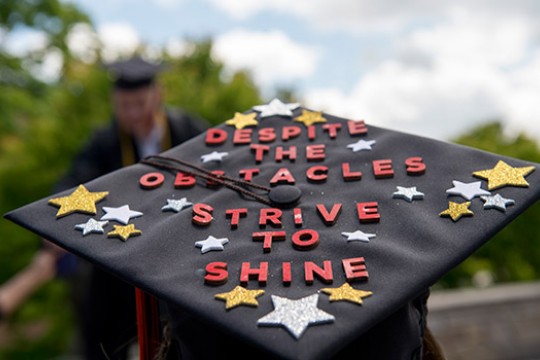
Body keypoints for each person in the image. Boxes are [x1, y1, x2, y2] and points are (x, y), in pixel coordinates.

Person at [0, 56, 209, 359]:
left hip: (177, 259)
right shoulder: (105, 141)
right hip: (117, 263)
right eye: (124, 106)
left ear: (158, 95)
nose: (133, 113)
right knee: (101, 340)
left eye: (140, 103)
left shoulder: (188, 130)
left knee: (184, 341)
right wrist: (54, 226)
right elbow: (71, 183)